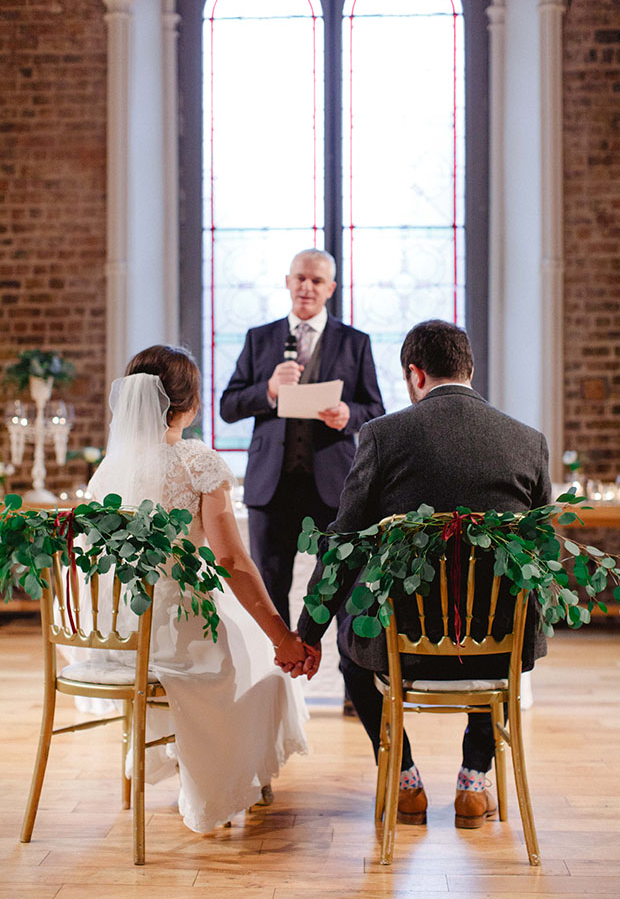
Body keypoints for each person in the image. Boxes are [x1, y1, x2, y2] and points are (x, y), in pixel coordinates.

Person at [291, 319, 551, 829]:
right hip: (498, 645)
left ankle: (405, 779)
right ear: (469, 370)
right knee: (501, 621)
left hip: (402, 650)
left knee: (352, 649)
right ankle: (474, 781)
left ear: (415, 374)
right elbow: (541, 555)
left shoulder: (384, 436)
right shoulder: (529, 442)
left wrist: (309, 634)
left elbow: (343, 543)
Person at [82, 345, 311, 833]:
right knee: (263, 664)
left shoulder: (107, 470)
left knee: (247, 648)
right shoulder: (196, 461)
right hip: (182, 637)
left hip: (120, 637)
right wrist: (282, 637)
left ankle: (204, 765)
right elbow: (229, 559)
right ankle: (238, 774)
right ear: (189, 405)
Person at [220, 248, 385, 628]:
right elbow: (228, 406)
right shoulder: (259, 338)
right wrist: (270, 389)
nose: (306, 287)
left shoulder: (354, 342)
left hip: (333, 488)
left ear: (331, 288)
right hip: (271, 487)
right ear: (288, 282)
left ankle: (354, 688)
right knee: (268, 592)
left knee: (342, 586)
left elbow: (375, 409)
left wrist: (349, 415)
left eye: (316, 281)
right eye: (300, 278)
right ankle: (275, 684)